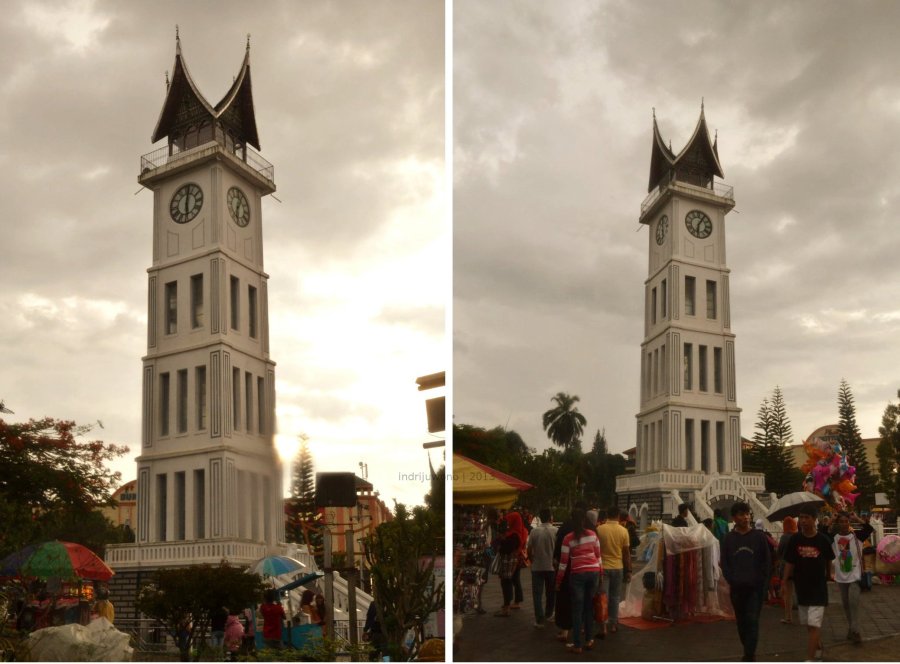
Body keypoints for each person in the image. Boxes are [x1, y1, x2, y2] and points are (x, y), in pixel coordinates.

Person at [720, 502, 772, 662]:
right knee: (742, 622)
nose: (746, 517)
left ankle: (749, 655)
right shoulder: (729, 539)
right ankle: (748, 649)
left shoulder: (759, 537)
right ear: (734, 518)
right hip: (737, 588)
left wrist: (763, 583)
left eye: (748, 514)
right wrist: (731, 578)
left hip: (755, 588)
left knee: (752, 620)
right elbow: (724, 562)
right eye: (742, 514)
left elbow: (766, 561)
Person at [783, 504, 835, 662]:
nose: (803, 521)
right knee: (808, 624)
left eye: (807, 518)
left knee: (814, 624)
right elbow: (790, 562)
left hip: (818, 589)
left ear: (814, 519)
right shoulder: (795, 540)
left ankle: (810, 658)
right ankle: (818, 646)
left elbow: (829, 560)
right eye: (801, 518)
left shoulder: (823, 540)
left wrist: (829, 575)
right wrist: (784, 582)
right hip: (802, 588)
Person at [555, 507, 602, 655]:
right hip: (593, 572)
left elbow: (563, 563)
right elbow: (598, 556)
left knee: (577, 609)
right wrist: (600, 574)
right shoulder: (593, 534)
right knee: (589, 607)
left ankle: (577, 644)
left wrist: (558, 581)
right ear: (584, 520)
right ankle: (589, 640)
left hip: (578, 574)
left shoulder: (568, 538)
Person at [553, 502, 587, 645]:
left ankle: (565, 630)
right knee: (582, 600)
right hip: (586, 569)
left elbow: (558, 551)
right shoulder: (590, 528)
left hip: (567, 569)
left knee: (566, 599)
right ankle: (582, 627)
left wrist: (558, 574)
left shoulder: (565, 528)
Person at [596, 506, 631, 636]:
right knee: (615, 597)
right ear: (618, 516)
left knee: (603, 597)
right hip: (618, 566)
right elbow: (626, 553)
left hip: (603, 567)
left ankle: (603, 625)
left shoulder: (600, 529)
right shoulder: (624, 531)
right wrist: (629, 570)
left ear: (607, 515)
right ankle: (614, 624)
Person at [832, 512, 864, 644]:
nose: (844, 524)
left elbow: (869, 528)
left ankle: (855, 631)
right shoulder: (834, 538)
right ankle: (851, 629)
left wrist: (857, 518)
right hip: (841, 576)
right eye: (841, 521)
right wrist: (831, 520)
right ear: (838, 523)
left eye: (846, 521)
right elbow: (822, 532)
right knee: (845, 604)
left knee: (853, 603)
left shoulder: (857, 537)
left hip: (855, 575)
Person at [526, 507, 558, 628]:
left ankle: (539, 620)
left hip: (537, 566)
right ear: (551, 518)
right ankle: (549, 614)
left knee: (537, 594)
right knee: (551, 593)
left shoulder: (534, 531)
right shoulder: (555, 531)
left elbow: (529, 549)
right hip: (551, 567)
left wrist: (531, 561)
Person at [494, 511, 528, 617]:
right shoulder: (519, 532)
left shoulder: (514, 535)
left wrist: (500, 544)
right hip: (513, 561)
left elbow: (507, 548)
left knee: (507, 582)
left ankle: (507, 606)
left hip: (509, 562)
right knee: (512, 580)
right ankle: (510, 603)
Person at [777, 516, 798, 624]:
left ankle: (788, 616)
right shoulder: (797, 536)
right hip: (797, 567)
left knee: (788, 593)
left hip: (786, 567)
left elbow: (779, 551)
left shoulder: (784, 537)